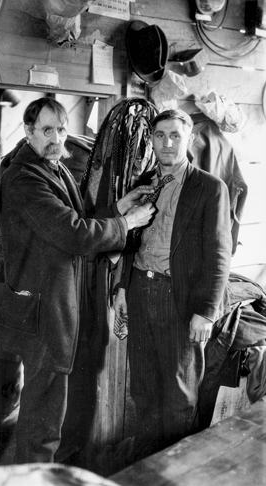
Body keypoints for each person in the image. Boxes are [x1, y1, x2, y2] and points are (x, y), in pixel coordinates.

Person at [0, 97, 156, 464]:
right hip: (41, 312)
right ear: (29, 130)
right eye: (47, 130)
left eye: (61, 129)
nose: (56, 138)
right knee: (42, 421)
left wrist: (119, 208)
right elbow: (73, 233)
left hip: (56, 305)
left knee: (52, 412)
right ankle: (33, 478)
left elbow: (78, 217)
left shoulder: (55, 167)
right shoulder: (23, 177)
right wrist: (126, 224)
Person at [114, 108, 232, 460]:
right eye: (160, 135)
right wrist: (122, 288)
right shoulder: (145, 183)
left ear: (190, 140)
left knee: (180, 396)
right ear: (151, 140)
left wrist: (207, 312)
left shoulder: (209, 188)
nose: (167, 143)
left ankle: (176, 474)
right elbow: (129, 241)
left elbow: (219, 253)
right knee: (144, 391)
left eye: (175, 136)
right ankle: (147, 473)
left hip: (178, 298)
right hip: (140, 290)